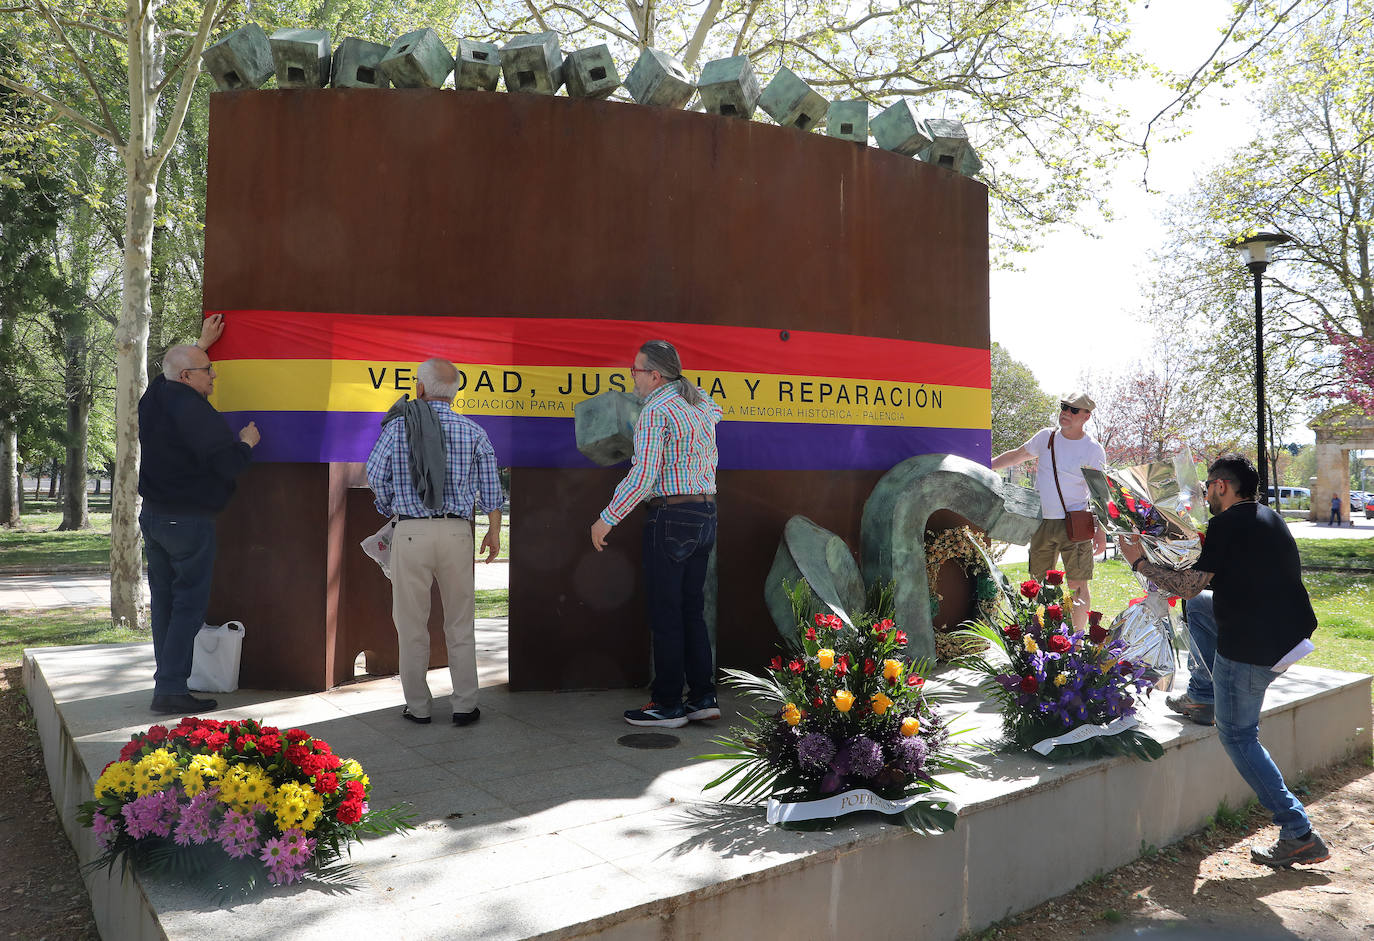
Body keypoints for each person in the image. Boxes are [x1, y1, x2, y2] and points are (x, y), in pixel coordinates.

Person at [1118, 454, 1327, 869]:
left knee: (1238, 736)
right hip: (1286, 632)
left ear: (1220, 487)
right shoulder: (1266, 517)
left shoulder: (1227, 524)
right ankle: (1202, 696)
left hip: (1253, 647)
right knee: (1200, 610)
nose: (1204, 494)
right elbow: (1200, 591)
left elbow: (1187, 584)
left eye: (1207, 487)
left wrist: (1138, 561)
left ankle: (1298, 832)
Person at [590, 340, 722, 729]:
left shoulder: (656, 411)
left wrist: (607, 518)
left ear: (654, 375)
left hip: (671, 515)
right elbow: (718, 410)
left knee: (666, 613)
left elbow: (644, 475)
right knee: (691, 611)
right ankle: (702, 697)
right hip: (706, 512)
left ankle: (667, 704)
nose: (631, 377)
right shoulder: (700, 403)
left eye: (635, 370)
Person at [366, 358, 503, 727]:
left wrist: (389, 505)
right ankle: (465, 705)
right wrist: (493, 531)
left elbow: (376, 475)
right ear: (455, 392)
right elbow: (491, 488)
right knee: (460, 623)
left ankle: (419, 707)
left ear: (420, 389)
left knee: (411, 626)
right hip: (457, 533)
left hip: (411, 532)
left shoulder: (398, 429)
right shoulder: (474, 430)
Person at [138, 314, 259, 715]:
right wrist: (246, 444)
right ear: (188, 377)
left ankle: (167, 684)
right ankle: (171, 689)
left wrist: (201, 345)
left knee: (166, 605)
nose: (214, 377)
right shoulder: (194, 410)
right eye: (208, 371)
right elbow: (227, 464)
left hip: (154, 519)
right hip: (187, 522)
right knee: (188, 606)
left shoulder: (155, 396)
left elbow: (172, 371)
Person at [991, 391, 1107, 629]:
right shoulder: (1046, 437)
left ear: (1086, 416)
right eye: (1064, 406)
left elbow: (1101, 494)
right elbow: (1016, 456)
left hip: (1076, 525)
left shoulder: (1093, 450)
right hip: (1042, 523)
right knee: (1037, 586)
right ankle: (1040, 642)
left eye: (1074, 409)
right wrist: (986, 466)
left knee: (1078, 585)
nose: (1066, 412)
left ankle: (1075, 643)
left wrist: (1101, 531)